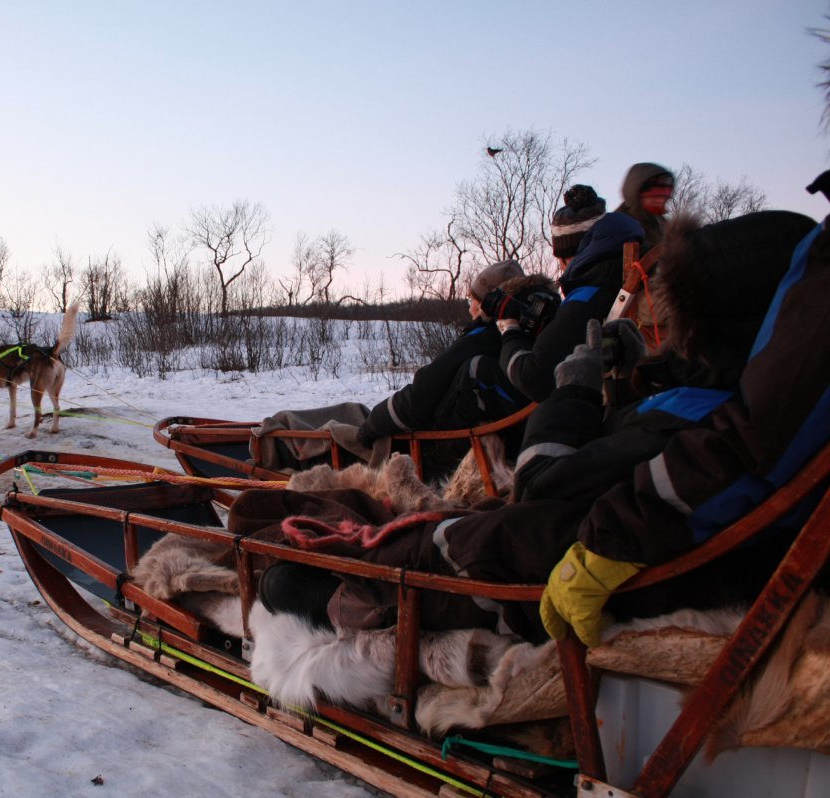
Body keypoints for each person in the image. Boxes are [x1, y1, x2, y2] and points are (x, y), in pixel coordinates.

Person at [242, 207, 824, 647]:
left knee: (295, 564)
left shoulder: (699, 433)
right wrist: (641, 375)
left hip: (509, 534)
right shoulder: (735, 406)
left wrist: (571, 391)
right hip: (537, 491)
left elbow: (538, 480)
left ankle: (365, 595)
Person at [349, 260, 556, 473]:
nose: (469, 308)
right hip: (516, 441)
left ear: (485, 304)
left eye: (471, 300)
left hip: (452, 455)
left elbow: (422, 393)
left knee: (359, 431)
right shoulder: (535, 332)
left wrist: (370, 428)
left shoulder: (484, 337)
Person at [497, 185, 643, 402]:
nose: (560, 267)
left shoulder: (588, 296)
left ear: (572, 254)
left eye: (561, 258)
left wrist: (509, 329)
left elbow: (533, 378)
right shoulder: (627, 274)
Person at [617, 162, 675, 252]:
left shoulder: (665, 226)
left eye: (664, 197)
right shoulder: (618, 224)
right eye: (655, 197)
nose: (660, 201)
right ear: (637, 194)